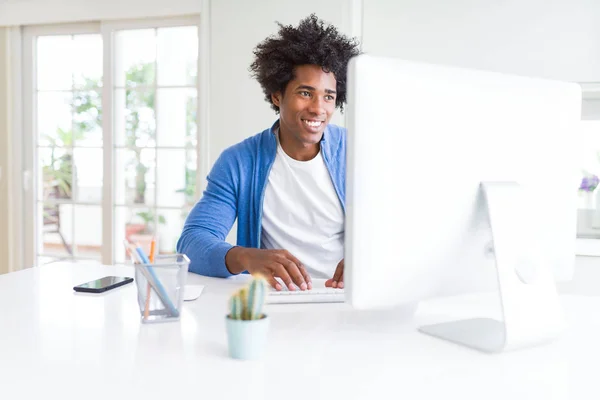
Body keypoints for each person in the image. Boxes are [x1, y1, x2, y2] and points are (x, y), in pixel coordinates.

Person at [176, 14, 360, 291]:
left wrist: (369, 253)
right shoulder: (239, 162)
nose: (318, 108)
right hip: (275, 300)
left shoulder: (357, 152)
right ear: (277, 96)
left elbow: (399, 225)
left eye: (328, 96)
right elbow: (193, 241)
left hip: (345, 296)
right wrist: (245, 256)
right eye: (305, 93)